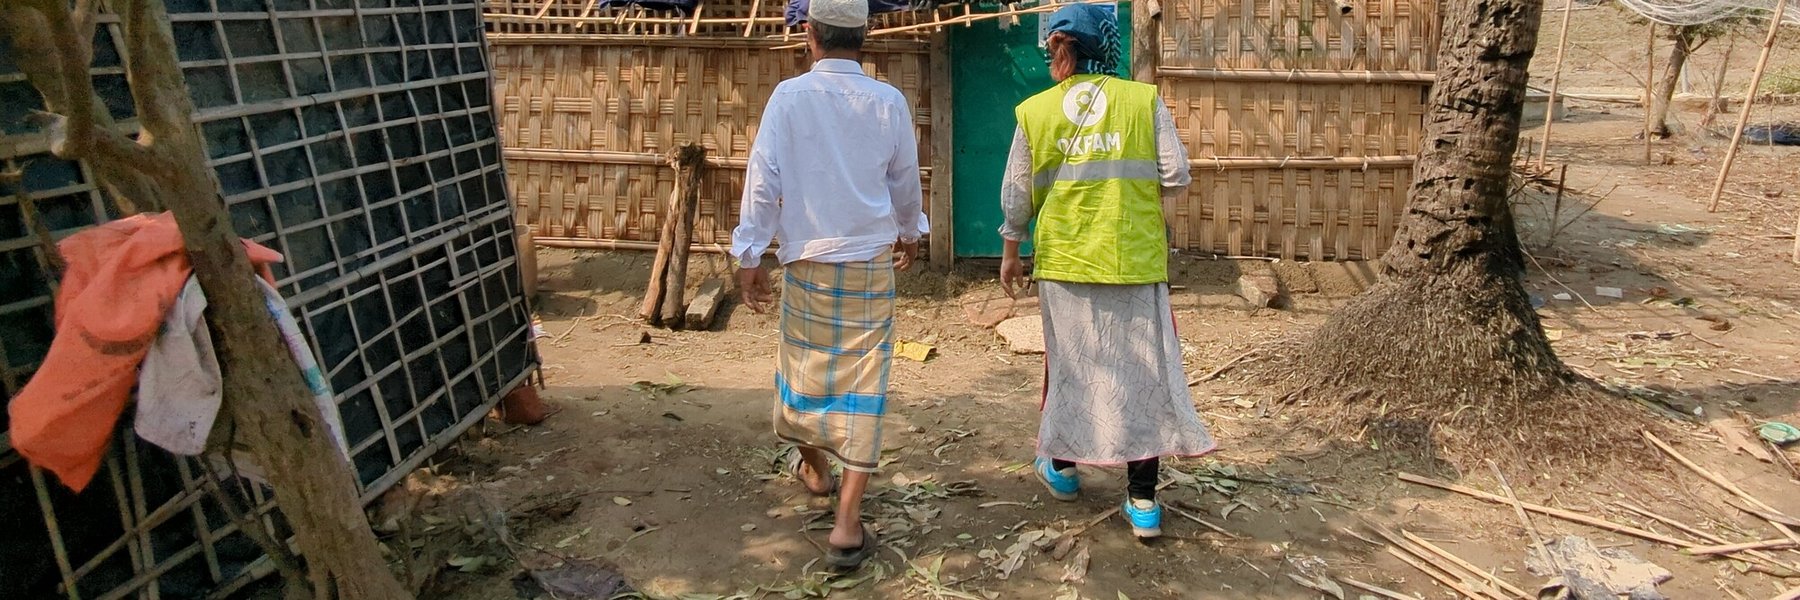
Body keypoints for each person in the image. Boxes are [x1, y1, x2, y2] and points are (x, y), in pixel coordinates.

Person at [996, 3, 1215, 540]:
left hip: (1066, 262)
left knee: (1069, 369)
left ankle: (1065, 474)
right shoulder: (1143, 99)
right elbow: (1176, 173)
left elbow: (1016, 195)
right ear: (1107, 48)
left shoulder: (1035, 111)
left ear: (1058, 50)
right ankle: (1143, 503)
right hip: (1133, 257)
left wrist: (1009, 252)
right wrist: (1144, 205)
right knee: (1143, 376)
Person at [730, 0, 924, 570]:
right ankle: (846, 521)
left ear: (809, 34)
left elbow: (762, 181)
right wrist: (911, 232)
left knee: (801, 375)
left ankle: (814, 465)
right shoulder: (888, 101)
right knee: (866, 386)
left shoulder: (787, 99)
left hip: (807, 263)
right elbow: (905, 180)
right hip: (868, 264)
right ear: (866, 34)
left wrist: (749, 254)